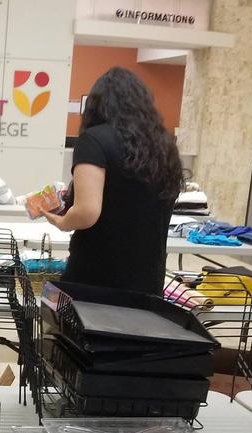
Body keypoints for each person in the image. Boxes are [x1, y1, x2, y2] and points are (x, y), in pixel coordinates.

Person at [42, 67, 182, 294]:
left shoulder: (93, 140)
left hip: (96, 277)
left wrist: (62, 222)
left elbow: (87, 212)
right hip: (148, 281)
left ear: (95, 105)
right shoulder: (163, 146)